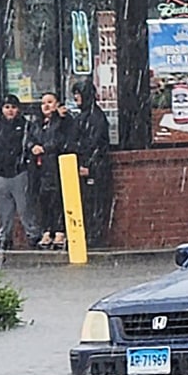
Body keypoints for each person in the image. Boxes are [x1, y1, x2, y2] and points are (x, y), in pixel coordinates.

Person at [0, 95, 38, 250]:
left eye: (13, 107)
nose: (10, 111)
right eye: (7, 107)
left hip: (19, 172)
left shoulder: (26, 126)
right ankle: (4, 237)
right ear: (2, 109)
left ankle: (33, 235)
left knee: (25, 207)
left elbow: (31, 145)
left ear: (18, 109)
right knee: (2, 209)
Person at [27, 92, 74, 250]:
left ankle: (60, 231)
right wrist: (32, 147)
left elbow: (61, 141)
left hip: (55, 166)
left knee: (57, 200)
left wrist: (45, 148)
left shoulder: (62, 122)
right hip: (39, 169)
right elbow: (29, 139)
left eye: (50, 102)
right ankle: (47, 230)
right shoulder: (37, 123)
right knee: (43, 200)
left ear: (57, 104)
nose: (46, 106)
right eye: (43, 103)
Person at [71, 80, 112, 249]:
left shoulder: (95, 117)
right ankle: (90, 235)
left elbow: (95, 144)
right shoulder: (85, 115)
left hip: (94, 168)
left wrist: (88, 165)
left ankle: (94, 237)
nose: (75, 98)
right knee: (88, 203)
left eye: (78, 94)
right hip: (89, 165)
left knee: (94, 203)